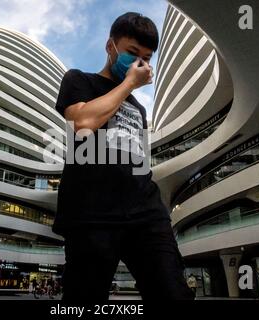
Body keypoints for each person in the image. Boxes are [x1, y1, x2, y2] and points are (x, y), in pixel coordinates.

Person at [53, 12, 195, 303]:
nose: (139, 64)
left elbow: (140, 158)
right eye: (132, 53)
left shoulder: (139, 110)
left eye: (146, 57)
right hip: (91, 213)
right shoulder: (79, 80)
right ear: (111, 47)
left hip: (146, 213)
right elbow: (82, 123)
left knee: (172, 291)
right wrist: (129, 84)